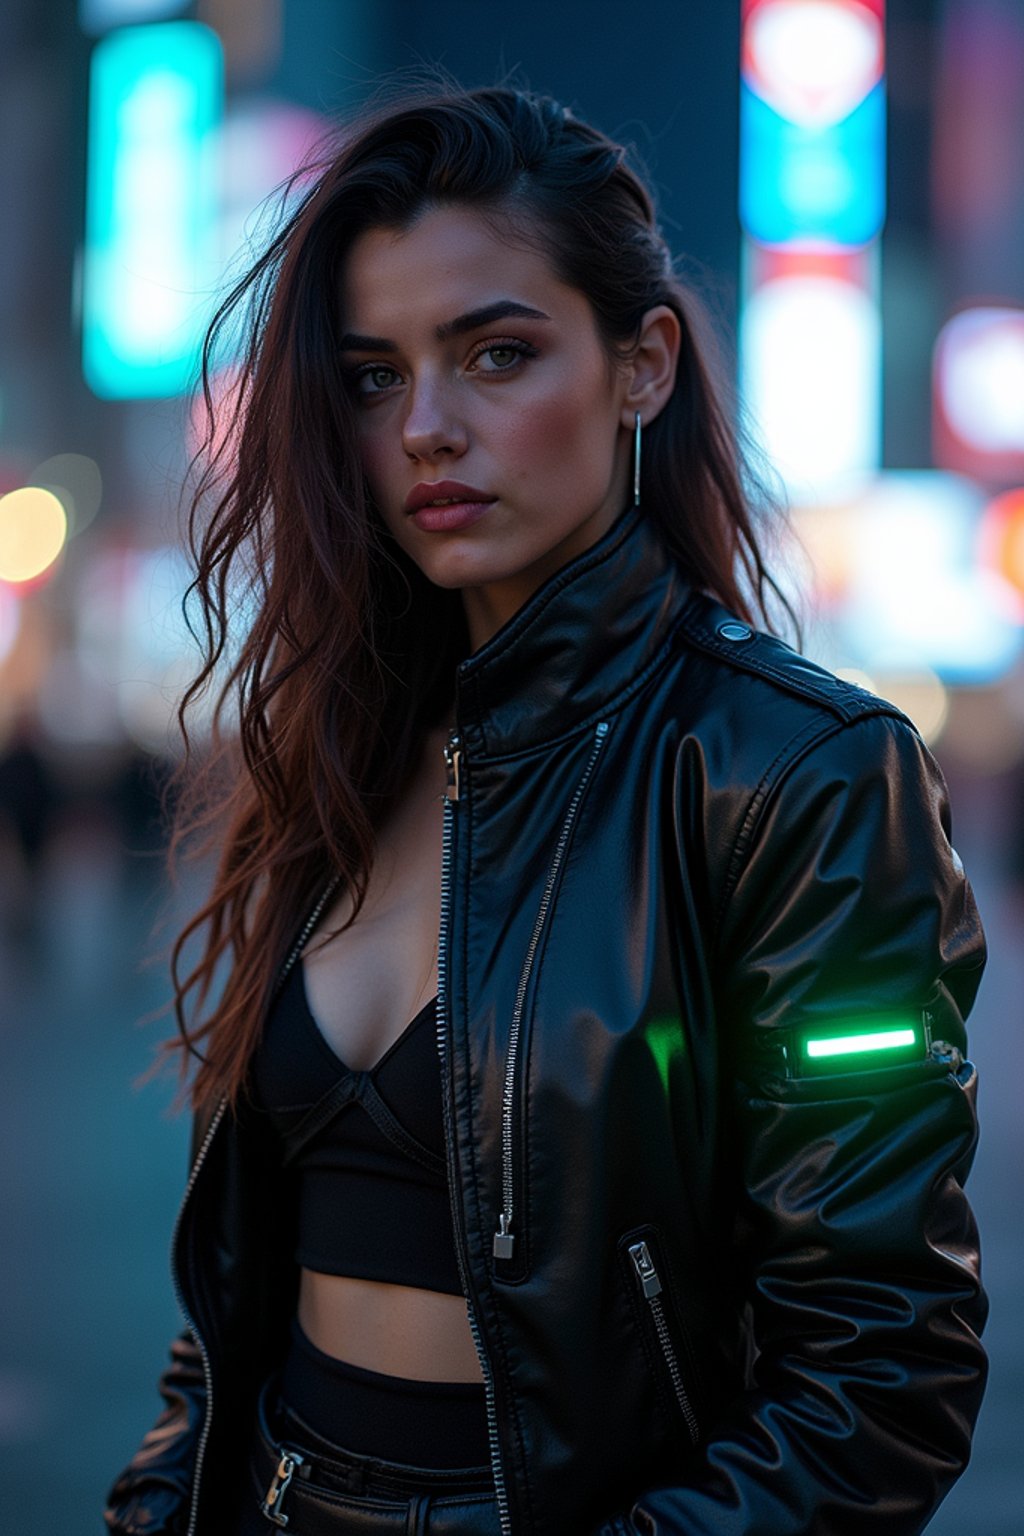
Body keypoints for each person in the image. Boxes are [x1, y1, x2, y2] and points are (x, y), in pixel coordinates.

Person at [104, 84, 987, 1536]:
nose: (428, 429)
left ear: (642, 365)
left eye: (497, 353)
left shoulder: (800, 774)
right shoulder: (338, 747)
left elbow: (880, 1378)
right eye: (375, 376)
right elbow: (237, 1291)